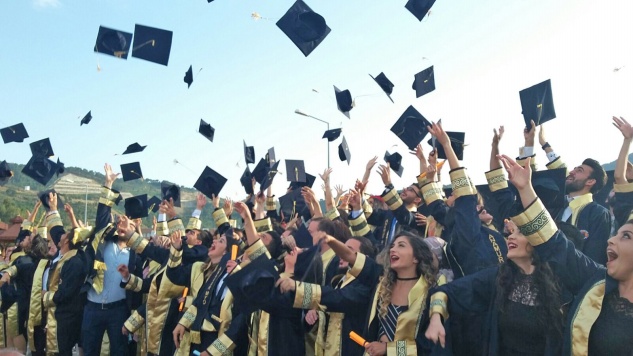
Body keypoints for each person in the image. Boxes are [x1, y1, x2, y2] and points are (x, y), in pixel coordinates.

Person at [498, 153, 633, 354]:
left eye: (627, 236)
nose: (611, 240)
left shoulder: (597, 213)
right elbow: (555, 245)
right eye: (618, 234)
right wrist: (526, 189)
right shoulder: (597, 283)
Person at [424, 217, 564, 355]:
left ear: (538, 240)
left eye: (519, 232)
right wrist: (436, 317)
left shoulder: (559, 279)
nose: (510, 237)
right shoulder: (499, 277)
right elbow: (447, 291)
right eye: (511, 232)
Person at [277, 235, 376, 356]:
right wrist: (316, 314)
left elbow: (340, 298)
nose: (342, 254)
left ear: (364, 260)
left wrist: (389, 348)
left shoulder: (367, 284)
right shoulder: (338, 281)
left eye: (348, 251)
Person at [537, 124, 612, 265]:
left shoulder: (598, 213)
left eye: (579, 170)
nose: (572, 171)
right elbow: (562, 173)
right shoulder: (556, 206)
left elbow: (593, 258)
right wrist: (544, 144)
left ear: (590, 181)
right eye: (574, 168)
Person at [41, 192, 89, 356]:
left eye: (64, 235)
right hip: (59, 313)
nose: (59, 237)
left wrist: (47, 296)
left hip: (69, 315)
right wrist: (53, 209)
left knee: (64, 351)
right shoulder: (64, 254)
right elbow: (56, 231)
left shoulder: (75, 262)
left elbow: (67, 292)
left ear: (67, 241)